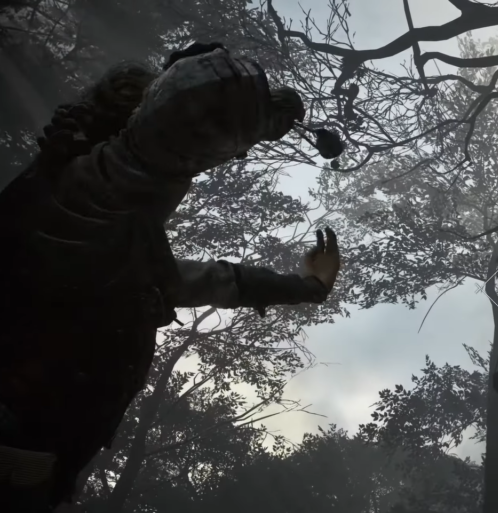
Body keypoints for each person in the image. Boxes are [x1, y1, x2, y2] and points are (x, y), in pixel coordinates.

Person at [0, 43, 342, 511]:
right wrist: (309, 287)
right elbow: (212, 279)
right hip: (27, 447)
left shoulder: (54, 177)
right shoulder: (120, 242)